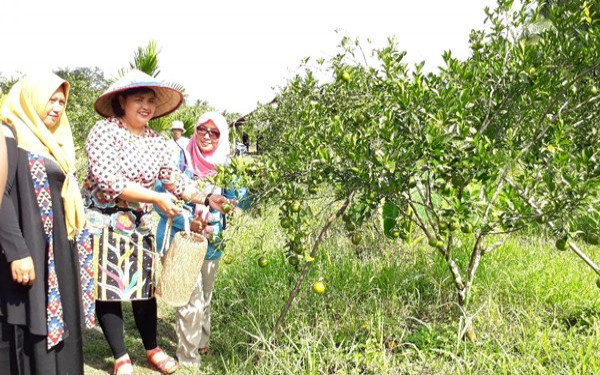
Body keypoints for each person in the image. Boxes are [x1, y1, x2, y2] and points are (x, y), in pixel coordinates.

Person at [83, 70, 230, 375]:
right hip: (105, 221)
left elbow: (175, 180)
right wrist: (155, 198)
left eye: (151, 100)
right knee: (108, 287)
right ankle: (121, 355)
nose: (146, 105)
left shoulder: (158, 142)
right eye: (139, 99)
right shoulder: (104, 132)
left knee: (143, 287)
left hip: (139, 225)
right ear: (122, 101)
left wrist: (204, 199)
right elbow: (109, 182)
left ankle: (152, 348)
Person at [0, 73, 87, 374]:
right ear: (31, 97)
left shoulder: (55, 142)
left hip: (58, 249)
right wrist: (17, 251)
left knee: (63, 325)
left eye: (62, 101)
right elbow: (2, 196)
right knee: (32, 329)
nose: (57, 107)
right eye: (50, 98)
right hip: (30, 249)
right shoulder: (10, 134)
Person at [155, 112, 250, 368]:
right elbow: (159, 199)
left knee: (205, 295)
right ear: (194, 130)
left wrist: (244, 189)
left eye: (214, 132)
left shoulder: (227, 165)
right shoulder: (179, 158)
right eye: (202, 130)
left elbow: (239, 201)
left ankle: (201, 340)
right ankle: (188, 358)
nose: (207, 136)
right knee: (189, 298)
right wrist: (187, 219)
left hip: (212, 240)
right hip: (181, 238)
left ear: (222, 136)